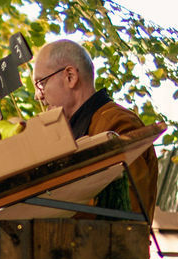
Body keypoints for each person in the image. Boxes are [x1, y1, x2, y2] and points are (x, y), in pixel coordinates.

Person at [32, 38, 159, 222]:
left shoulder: (117, 124)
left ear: (70, 76)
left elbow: (125, 211)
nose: (38, 96)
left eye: (41, 83)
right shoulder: (75, 130)